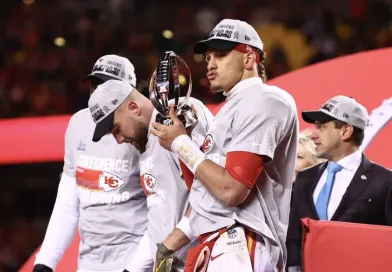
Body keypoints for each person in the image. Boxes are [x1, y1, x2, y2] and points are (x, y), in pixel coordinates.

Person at [150, 18, 299, 271]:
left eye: (220, 55)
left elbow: (232, 190)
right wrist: (170, 244)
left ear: (249, 59)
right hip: (218, 240)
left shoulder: (265, 100)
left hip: (243, 242)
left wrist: (181, 143)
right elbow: (205, 194)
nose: (210, 65)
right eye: (207, 58)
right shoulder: (231, 108)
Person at [34, 55, 148, 272]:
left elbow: (160, 211)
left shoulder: (142, 131)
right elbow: (68, 203)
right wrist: (45, 262)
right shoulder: (78, 124)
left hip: (133, 258)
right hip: (89, 263)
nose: (98, 92)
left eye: (106, 85)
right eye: (94, 84)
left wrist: (135, 269)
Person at [88, 79, 214, 271]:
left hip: (209, 260)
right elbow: (160, 222)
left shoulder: (178, 115)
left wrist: (169, 245)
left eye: (116, 129)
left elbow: (213, 189)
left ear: (133, 107)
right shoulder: (144, 140)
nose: (119, 139)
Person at [286, 95, 392, 272]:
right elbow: (295, 237)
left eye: (321, 127)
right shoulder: (305, 178)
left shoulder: (385, 182)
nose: (314, 134)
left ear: (345, 131)